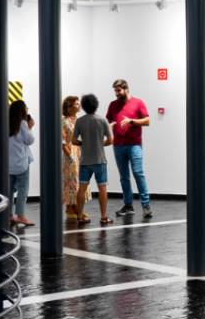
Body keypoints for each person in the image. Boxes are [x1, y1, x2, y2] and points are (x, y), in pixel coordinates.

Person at [106, 79, 153, 218]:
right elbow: (109, 120)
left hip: (134, 145)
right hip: (118, 145)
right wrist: (110, 125)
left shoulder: (138, 103)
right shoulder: (113, 105)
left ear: (126, 89)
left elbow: (147, 121)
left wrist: (131, 121)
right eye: (115, 91)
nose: (117, 93)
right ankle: (128, 206)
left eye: (119, 90)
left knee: (138, 173)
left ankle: (146, 206)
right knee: (124, 177)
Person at [73, 94, 113, 225]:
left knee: (82, 188)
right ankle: (103, 217)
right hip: (100, 160)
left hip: (85, 161)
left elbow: (74, 140)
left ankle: (79, 216)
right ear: (96, 104)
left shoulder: (79, 121)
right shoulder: (102, 120)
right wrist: (101, 144)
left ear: (84, 106)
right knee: (102, 188)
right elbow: (110, 140)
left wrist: (84, 144)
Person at [61, 95, 90, 220]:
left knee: (79, 180)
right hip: (70, 152)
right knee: (71, 180)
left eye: (78, 103)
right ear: (69, 107)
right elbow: (62, 141)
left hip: (80, 152)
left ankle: (76, 207)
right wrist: (69, 155)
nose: (79, 106)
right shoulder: (64, 121)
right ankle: (71, 207)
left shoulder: (79, 120)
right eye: (76, 104)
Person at [8, 100, 35, 226]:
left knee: (9, 190)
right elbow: (30, 140)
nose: (28, 109)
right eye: (26, 107)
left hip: (9, 164)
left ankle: (9, 215)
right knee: (23, 189)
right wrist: (30, 127)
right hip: (22, 163)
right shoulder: (23, 123)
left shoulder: (6, 123)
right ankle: (20, 215)